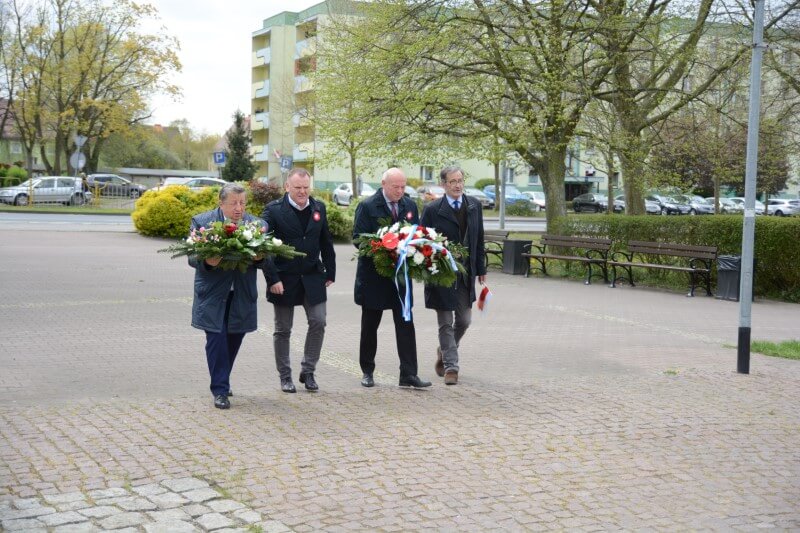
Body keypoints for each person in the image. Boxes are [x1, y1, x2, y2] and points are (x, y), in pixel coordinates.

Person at [189, 183, 266, 410]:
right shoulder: (203, 223)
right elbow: (192, 256)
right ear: (221, 203)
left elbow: (267, 258)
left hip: (242, 294)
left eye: (242, 203)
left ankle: (223, 377)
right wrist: (206, 261)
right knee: (216, 340)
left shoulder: (257, 225)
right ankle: (220, 390)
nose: (239, 208)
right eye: (234, 203)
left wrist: (260, 258)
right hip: (213, 295)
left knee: (234, 339)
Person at [353, 168, 431, 389]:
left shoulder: (409, 205)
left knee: (406, 324)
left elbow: (418, 235)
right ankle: (367, 371)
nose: (400, 191)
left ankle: (409, 374)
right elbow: (358, 239)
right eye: (395, 186)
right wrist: (384, 249)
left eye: (403, 186)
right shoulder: (368, 206)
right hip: (374, 277)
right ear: (384, 184)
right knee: (370, 326)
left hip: (400, 278)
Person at [261, 168, 336, 393]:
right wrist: (272, 277)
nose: (303, 192)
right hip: (283, 278)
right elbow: (263, 248)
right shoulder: (273, 211)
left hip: (313, 275)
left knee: (319, 321)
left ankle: (309, 370)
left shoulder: (318, 207)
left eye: (306, 187)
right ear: (287, 187)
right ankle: (285, 376)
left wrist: (330, 272)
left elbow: (326, 242)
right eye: (298, 188)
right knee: (283, 329)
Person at [420, 166, 486, 385]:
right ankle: (451, 366)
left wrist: (481, 269)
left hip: (465, 273)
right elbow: (423, 242)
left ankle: (444, 349)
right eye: (452, 182)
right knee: (445, 322)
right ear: (443, 185)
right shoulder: (432, 209)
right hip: (442, 273)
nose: (457, 185)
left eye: (460, 180)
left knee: (464, 320)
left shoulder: (474, 206)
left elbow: (479, 239)